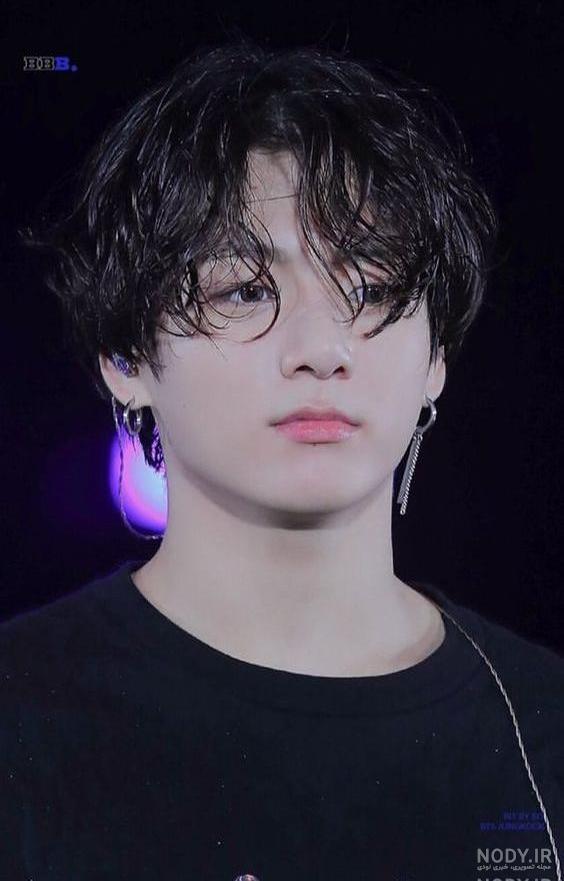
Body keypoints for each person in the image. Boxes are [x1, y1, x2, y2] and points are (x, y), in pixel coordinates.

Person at [4, 38, 563, 881]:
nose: (322, 349)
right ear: (125, 355)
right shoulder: (21, 715)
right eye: (245, 290)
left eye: (371, 289)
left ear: (436, 358)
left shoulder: (544, 726)